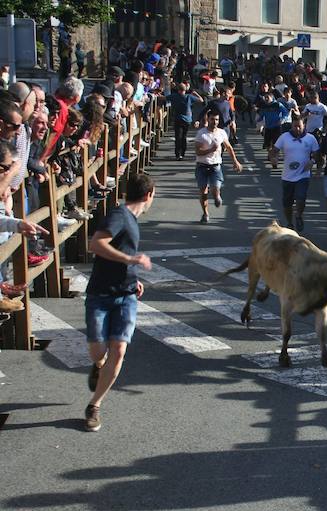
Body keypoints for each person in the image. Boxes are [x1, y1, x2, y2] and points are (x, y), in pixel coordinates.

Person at [83, 174, 157, 432]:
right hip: (100, 295)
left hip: (126, 295)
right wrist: (132, 260)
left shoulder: (131, 220)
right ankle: (98, 366)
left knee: (119, 351)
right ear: (150, 195)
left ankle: (95, 405)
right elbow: (96, 244)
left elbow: (121, 252)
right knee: (98, 351)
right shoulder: (119, 215)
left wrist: (133, 277)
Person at [269, 113, 319, 231]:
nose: (297, 129)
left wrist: (312, 161)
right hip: (287, 176)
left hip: (303, 175)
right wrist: (273, 158)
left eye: (299, 126)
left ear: (304, 125)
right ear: (291, 125)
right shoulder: (284, 137)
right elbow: (273, 151)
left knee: (301, 198)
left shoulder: (310, 138)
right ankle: (290, 222)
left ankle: (298, 216)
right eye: (295, 126)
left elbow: (317, 155)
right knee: (287, 203)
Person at [194, 111, 242, 223]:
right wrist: (210, 150)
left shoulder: (221, 133)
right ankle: (205, 213)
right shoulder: (202, 134)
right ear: (208, 119)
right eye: (212, 119)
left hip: (215, 166)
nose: (214, 122)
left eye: (216, 120)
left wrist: (235, 161)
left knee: (215, 189)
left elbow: (229, 147)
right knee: (203, 192)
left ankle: (216, 197)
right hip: (202, 166)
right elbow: (198, 152)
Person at [167, 83, 203, 160]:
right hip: (187, 120)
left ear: (178, 90)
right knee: (184, 136)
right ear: (185, 90)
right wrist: (195, 93)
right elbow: (201, 100)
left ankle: (178, 154)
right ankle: (182, 154)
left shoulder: (174, 96)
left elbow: (164, 98)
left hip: (178, 118)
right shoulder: (189, 97)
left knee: (178, 137)